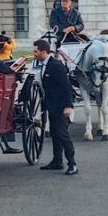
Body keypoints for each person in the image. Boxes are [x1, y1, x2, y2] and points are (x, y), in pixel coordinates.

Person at [34, 40, 77, 175]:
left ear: (43, 52)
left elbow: (66, 87)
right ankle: (57, 161)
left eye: (35, 51)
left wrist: (68, 106)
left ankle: (72, 163)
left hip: (61, 106)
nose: (34, 54)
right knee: (54, 133)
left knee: (62, 134)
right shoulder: (45, 65)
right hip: (52, 105)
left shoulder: (56, 66)